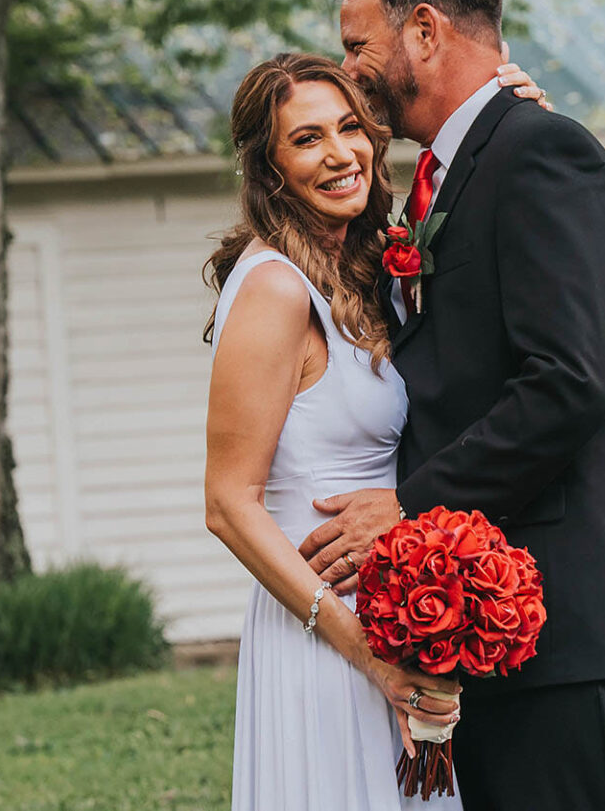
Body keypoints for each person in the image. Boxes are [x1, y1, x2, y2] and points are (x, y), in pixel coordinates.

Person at [296, 0, 605, 811]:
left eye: (356, 46)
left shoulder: (541, 154)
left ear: (422, 30)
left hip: (580, 622)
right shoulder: (450, 176)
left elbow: (574, 377)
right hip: (497, 622)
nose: (350, 70)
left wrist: (409, 506)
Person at [203, 51, 549, 810]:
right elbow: (229, 503)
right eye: (306, 139)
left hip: (394, 615)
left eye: (350, 129)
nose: (339, 154)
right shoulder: (273, 289)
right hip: (322, 630)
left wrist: (519, 117)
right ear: (270, 169)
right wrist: (367, 655)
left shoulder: (361, 274)